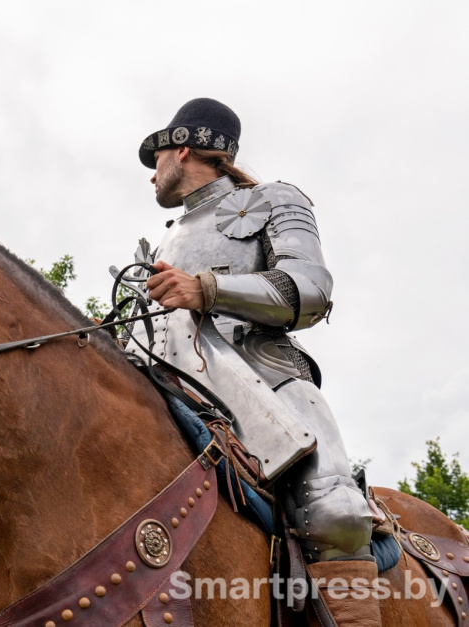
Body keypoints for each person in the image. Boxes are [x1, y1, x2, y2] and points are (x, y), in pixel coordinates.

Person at [135, 98, 379, 625]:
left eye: (156, 160)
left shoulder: (274, 199)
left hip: (265, 379)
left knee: (334, 508)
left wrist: (205, 288)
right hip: (173, 382)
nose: (151, 176)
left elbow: (312, 290)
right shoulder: (168, 237)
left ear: (182, 150)